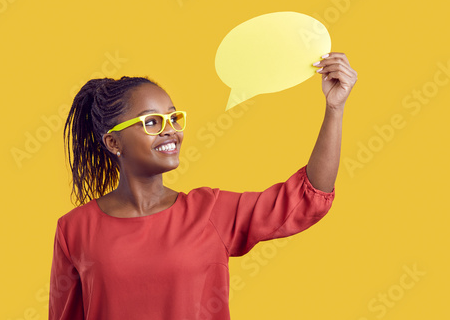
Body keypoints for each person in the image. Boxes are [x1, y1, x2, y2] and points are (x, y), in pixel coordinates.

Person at [49, 52, 357, 319]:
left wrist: (334, 109)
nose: (170, 131)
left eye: (174, 119)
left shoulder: (211, 212)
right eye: (152, 122)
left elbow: (308, 197)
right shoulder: (74, 230)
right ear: (114, 141)